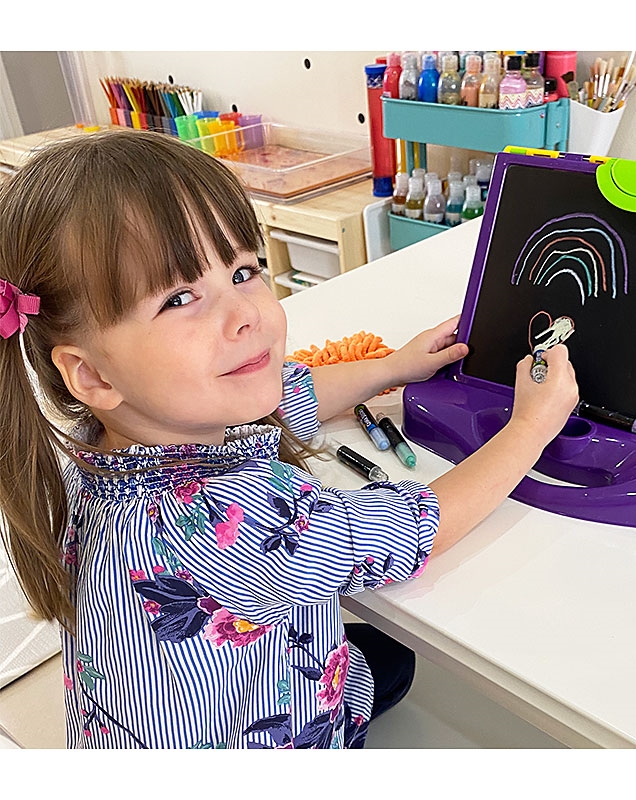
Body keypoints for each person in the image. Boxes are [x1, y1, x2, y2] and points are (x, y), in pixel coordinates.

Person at [0, 128, 578, 749]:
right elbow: (418, 526)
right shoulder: (220, 520)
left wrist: (393, 367)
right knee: (408, 667)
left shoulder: (103, 436)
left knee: (386, 660)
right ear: (90, 372)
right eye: (181, 297)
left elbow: (284, 394)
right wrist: (530, 428)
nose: (246, 313)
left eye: (244, 270)